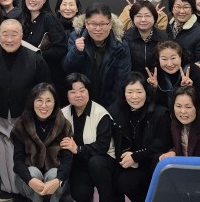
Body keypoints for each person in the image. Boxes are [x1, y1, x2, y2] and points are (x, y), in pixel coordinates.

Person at [0, 19, 51, 201]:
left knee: (19, 155)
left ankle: (22, 190)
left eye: (14, 34)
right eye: (5, 34)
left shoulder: (35, 56)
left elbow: (46, 88)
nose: (9, 39)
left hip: (25, 118)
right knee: (0, 153)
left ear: (21, 35)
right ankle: (7, 188)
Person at [108, 73, 169, 202]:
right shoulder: (114, 112)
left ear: (146, 92)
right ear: (124, 93)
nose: (134, 97)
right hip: (131, 165)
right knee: (124, 181)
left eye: (139, 92)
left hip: (151, 162)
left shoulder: (160, 113)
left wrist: (136, 156)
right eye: (130, 92)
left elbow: (162, 143)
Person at [10, 83, 73, 202]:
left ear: (55, 103)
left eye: (48, 101)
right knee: (33, 172)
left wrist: (58, 180)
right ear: (32, 101)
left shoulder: (63, 125)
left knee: (54, 173)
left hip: (56, 181)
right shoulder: (21, 124)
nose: (44, 105)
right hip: (27, 180)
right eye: (39, 100)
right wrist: (30, 180)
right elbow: (18, 161)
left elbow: (67, 160)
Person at [60, 73, 117, 202]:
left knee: (96, 163)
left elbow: (103, 146)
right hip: (80, 162)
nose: (78, 95)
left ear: (88, 92)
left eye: (82, 90)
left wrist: (78, 149)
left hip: (104, 160)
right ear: (67, 95)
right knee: (80, 194)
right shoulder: (62, 114)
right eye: (73, 92)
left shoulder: (101, 114)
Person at [62, 3, 131, 107]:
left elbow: (122, 80)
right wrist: (76, 51)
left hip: (109, 103)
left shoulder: (120, 45)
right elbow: (67, 69)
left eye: (103, 24)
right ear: (86, 23)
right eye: (93, 24)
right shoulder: (75, 38)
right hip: (80, 101)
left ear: (110, 24)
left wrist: (112, 108)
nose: (98, 29)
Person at [16, 0, 67, 90]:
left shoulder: (49, 19)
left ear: (44, 0)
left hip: (48, 78)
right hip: (27, 77)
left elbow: (61, 49)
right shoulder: (22, 19)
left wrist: (37, 54)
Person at [159, 85, 200, 159]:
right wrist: (173, 152)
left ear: (198, 108)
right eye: (178, 106)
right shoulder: (175, 124)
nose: (183, 111)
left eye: (188, 107)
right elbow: (182, 148)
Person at [146, 40, 200, 109]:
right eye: (164, 59)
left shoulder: (192, 70)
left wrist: (189, 89)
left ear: (181, 56)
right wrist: (154, 89)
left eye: (173, 58)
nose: (169, 64)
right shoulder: (155, 73)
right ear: (158, 59)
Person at [164, 0, 200, 68]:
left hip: (188, 72)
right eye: (178, 7)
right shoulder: (170, 25)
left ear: (192, 9)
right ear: (172, 9)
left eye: (186, 7)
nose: (182, 11)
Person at [124, 0, 168, 74]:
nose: (143, 20)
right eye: (139, 16)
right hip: (133, 79)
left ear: (154, 18)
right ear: (133, 18)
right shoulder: (126, 37)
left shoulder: (164, 38)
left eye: (147, 16)